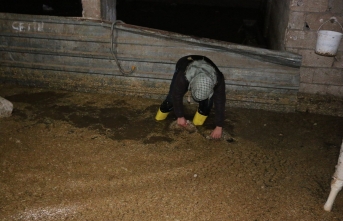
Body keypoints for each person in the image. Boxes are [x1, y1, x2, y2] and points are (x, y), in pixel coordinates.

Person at [155, 55, 226, 139]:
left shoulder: (218, 80)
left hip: (207, 70)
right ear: (191, 85)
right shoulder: (183, 77)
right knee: (171, 99)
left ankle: (197, 124)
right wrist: (180, 116)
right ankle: (158, 119)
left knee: (207, 105)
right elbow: (176, 95)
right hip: (186, 63)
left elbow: (220, 102)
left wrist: (219, 126)